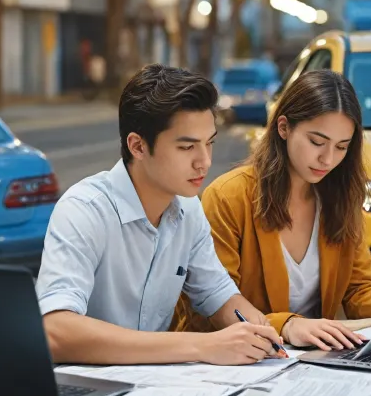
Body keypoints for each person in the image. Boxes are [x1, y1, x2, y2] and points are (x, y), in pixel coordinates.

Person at [37, 63, 285, 365]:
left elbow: (219, 296)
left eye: (209, 144)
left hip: (153, 391)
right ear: (138, 146)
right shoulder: (84, 210)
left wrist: (260, 333)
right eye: (187, 147)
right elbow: (55, 330)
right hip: (85, 392)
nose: (204, 162)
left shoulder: (188, 209)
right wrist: (201, 346)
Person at [175, 69, 371, 350]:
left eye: (341, 147)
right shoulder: (229, 197)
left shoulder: (340, 197)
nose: (327, 158)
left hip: (312, 361)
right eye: (317, 142)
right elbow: (215, 305)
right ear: (284, 127)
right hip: (237, 360)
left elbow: (359, 286)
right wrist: (287, 325)